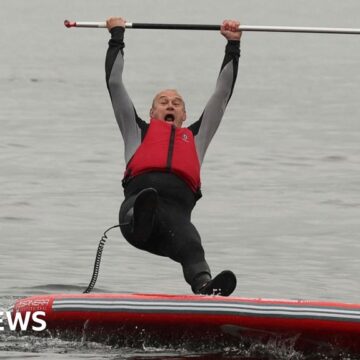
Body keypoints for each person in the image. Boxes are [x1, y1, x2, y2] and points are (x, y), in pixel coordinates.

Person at [105, 16, 241, 296]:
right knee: (147, 202)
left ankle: (205, 288)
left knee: (192, 243)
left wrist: (233, 45)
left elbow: (222, 94)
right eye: (163, 102)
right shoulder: (136, 130)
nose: (170, 105)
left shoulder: (197, 138)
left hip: (174, 225)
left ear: (184, 115)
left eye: (177, 103)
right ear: (152, 112)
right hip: (134, 216)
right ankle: (143, 220)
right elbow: (115, 84)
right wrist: (117, 35)